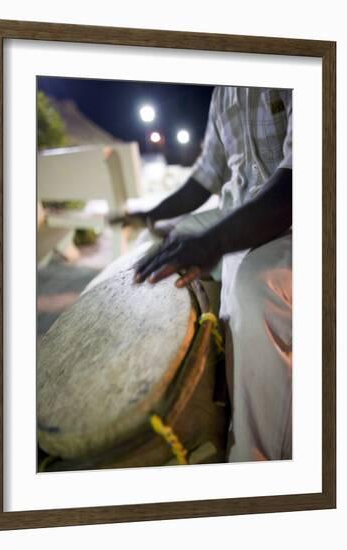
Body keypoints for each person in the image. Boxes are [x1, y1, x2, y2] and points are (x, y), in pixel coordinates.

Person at [113, 86, 293, 462]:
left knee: (256, 288)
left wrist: (212, 243)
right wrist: (152, 216)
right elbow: (206, 178)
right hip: (239, 210)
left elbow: (298, 185)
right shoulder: (222, 93)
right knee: (175, 238)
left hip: (305, 217)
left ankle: (258, 463)